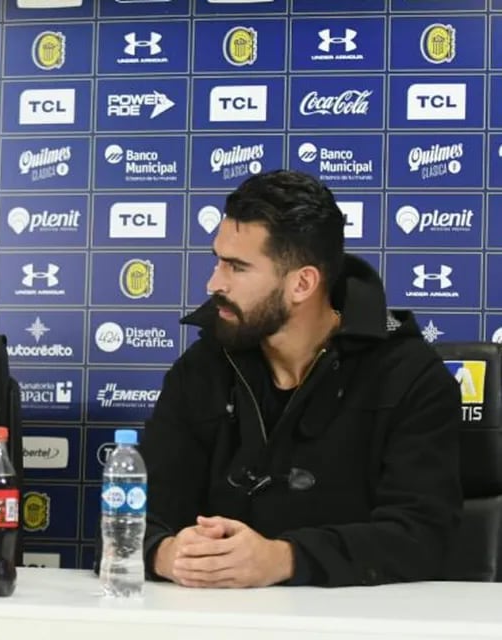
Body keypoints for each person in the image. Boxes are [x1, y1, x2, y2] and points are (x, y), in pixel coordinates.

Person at [143, 170, 462, 587]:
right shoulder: (201, 368)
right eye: (218, 260)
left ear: (303, 283)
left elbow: (422, 538)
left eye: (237, 267)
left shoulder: (410, 376)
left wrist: (283, 559)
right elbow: (130, 515)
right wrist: (169, 555)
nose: (214, 282)